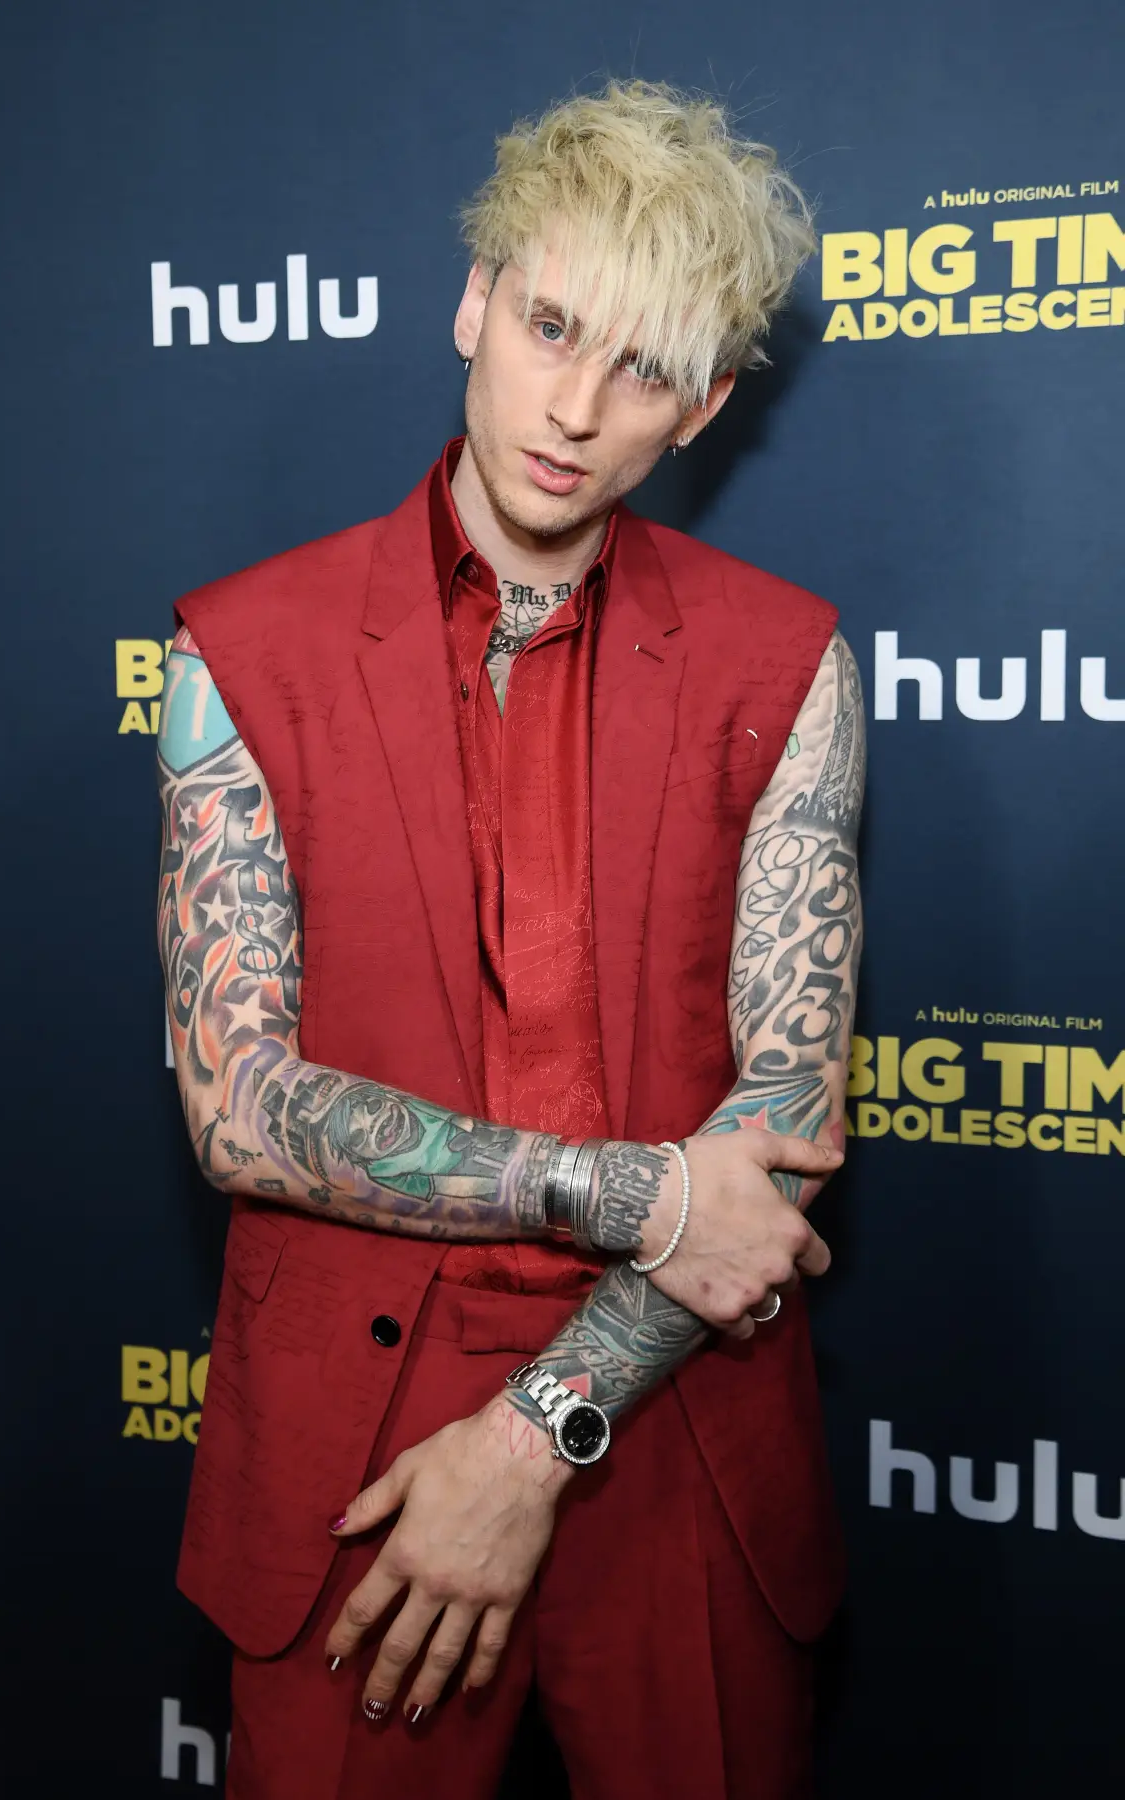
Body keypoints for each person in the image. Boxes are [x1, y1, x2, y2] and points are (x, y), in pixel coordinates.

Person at [156, 78, 865, 1800]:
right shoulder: (241, 648)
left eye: (643, 368)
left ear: (702, 407)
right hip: (349, 1462)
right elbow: (241, 1109)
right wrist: (640, 1193)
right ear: (475, 302)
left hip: (681, 1420)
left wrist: (535, 1441)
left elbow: (779, 1127)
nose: (575, 407)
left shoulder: (787, 661)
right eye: (551, 326)